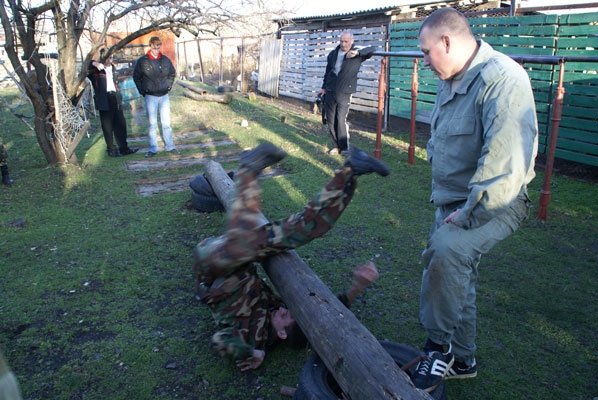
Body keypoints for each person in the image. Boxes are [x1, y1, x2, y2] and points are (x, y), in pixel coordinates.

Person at [411, 8, 538, 393]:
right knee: (455, 279)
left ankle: (438, 348)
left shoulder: (502, 80)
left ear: (446, 42)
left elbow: (503, 170)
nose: (423, 60)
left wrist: (466, 215)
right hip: (453, 200)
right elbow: (441, 137)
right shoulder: (450, 77)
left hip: (496, 202)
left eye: (426, 51)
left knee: (446, 255)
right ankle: (463, 359)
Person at [193, 142, 389, 370]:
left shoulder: (252, 337)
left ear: (282, 334)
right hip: (242, 256)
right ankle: (351, 170)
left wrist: (252, 351)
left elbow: (219, 341)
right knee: (305, 229)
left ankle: (248, 169)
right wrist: (357, 287)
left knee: (242, 238)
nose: (285, 309)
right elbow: (325, 312)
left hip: (210, 265)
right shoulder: (280, 311)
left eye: (287, 317)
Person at [319, 32, 375, 155]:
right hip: (330, 90)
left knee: (340, 119)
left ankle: (344, 148)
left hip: (345, 92)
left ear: (351, 41)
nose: (343, 44)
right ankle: (335, 146)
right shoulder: (333, 54)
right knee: (331, 120)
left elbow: (373, 49)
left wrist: (358, 53)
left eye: (346, 41)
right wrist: (323, 87)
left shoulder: (357, 53)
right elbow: (328, 71)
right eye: (342, 41)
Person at [87, 49, 139, 157]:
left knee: (121, 124)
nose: (109, 59)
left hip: (115, 97)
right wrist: (94, 63)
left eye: (111, 57)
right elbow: (85, 65)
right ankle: (111, 149)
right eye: (107, 57)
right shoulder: (96, 70)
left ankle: (124, 148)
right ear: (102, 57)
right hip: (104, 98)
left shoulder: (113, 68)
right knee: (107, 125)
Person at [132, 36, 178, 158]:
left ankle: (170, 146)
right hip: (150, 96)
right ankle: (153, 148)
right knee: (152, 124)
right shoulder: (142, 61)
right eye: (154, 47)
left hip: (164, 95)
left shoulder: (165, 60)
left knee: (166, 123)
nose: (156, 49)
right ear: (150, 46)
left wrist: (168, 86)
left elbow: (172, 73)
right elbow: (136, 77)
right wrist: (143, 91)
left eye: (158, 47)